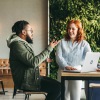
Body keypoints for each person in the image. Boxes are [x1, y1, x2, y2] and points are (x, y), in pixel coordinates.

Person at [6, 20, 61, 100]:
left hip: (32, 78)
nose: (32, 33)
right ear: (23, 32)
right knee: (57, 88)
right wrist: (49, 48)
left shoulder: (22, 43)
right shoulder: (17, 45)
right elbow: (33, 62)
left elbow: (29, 61)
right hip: (27, 81)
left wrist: (43, 59)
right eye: (31, 31)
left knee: (60, 86)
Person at [56, 19, 91, 100]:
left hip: (76, 72)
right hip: (63, 71)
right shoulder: (62, 42)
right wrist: (66, 66)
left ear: (78, 30)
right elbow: (58, 57)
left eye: (73, 29)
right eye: (69, 28)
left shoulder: (84, 44)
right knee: (64, 97)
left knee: (75, 97)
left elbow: (90, 58)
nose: (70, 31)